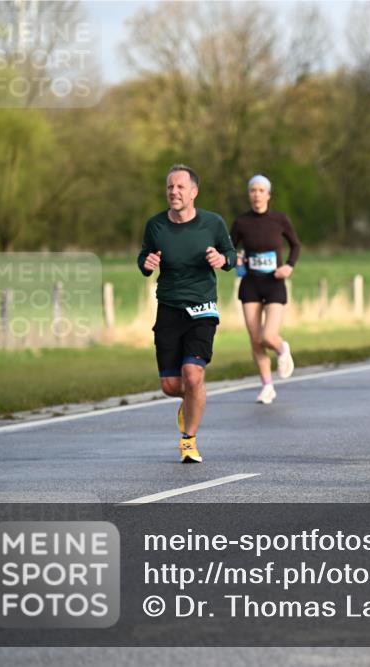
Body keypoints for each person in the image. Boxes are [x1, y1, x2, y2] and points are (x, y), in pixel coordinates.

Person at [138, 165, 237, 463]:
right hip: (168, 308)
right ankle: (192, 400)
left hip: (202, 309)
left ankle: (188, 440)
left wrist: (222, 259)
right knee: (171, 385)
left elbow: (231, 254)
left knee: (193, 376)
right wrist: (147, 263)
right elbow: (143, 256)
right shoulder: (156, 226)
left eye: (180, 187)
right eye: (170, 187)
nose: (174, 192)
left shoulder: (212, 223)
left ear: (194, 192)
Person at [230, 175, 301, 404]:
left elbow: (296, 245)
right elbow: (229, 249)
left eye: (261, 190)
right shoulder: (241, 222)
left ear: (268, 195)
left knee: (268, 336)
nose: (257, 194)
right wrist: (236, 258)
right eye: (253, 190)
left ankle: (282, 348)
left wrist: (289, 266)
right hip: (250, 283)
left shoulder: (280, 219)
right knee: (255, 340)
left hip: (274, 284)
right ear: (249, 194)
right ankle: (267, 385)